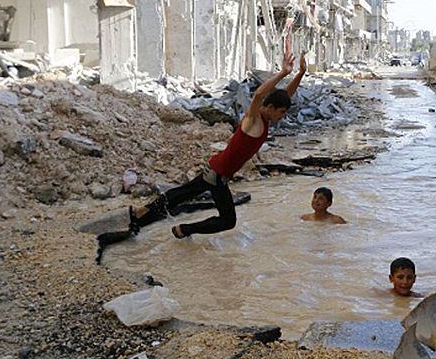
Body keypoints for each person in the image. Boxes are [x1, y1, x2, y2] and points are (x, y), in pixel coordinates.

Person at [129, 51, 308, 238]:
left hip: (216, 169)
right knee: (227, 221)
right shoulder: (253, 119)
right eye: (281, 112)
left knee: (182, 194)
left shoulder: (267, 117)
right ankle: (184, 229)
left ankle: (144, 212)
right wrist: (283, 73)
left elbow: (285, 96)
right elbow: (259, 95)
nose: (283, 116)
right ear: (270, 108)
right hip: (218, 175)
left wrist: (301, 73)